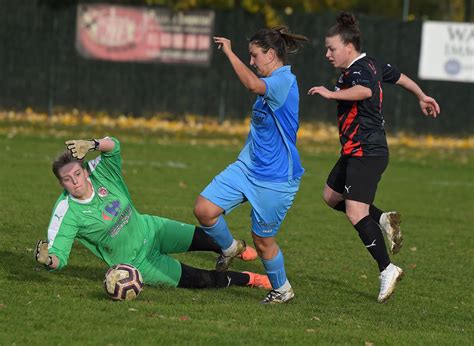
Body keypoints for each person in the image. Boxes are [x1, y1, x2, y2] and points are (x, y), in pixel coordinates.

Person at [307, 12, 440, 303]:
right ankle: (382, 218)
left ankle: (386, 269)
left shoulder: (358, 70)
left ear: (349, 47)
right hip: (357, 150)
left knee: (356, 212)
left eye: (332, 48)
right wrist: (421, 95)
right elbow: (401, 77)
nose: (327, 54)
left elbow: (364, 90)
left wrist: (332, 94)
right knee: (331, 196)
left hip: (366, 152)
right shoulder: (373, 63)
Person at [34, 137, 272, 292]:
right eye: (67, 179)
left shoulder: (101, 173)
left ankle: (235, 249)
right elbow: (59, 256)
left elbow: (114, 146)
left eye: (77, 174)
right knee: (203, 281)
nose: (75, 182)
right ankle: (251, 279)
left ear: (84, 171)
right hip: (139, 263)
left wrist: (92, 144)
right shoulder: (66, 212)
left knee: (210, 238)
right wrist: (48, 260)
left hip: (153, 229)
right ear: (61, 184)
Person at [193, 27, 309, 304]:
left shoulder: (283, 81)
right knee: (204, 210)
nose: (253, 62)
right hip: (246, 168)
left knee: (262, 242)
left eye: (255, 56)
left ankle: (282, 290)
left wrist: (231, 54)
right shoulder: (271, 78)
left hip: (276, 179)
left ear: (271, 54)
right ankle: (230, 248)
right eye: (249, 56)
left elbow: (252, 85)